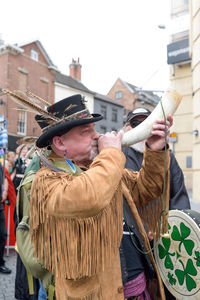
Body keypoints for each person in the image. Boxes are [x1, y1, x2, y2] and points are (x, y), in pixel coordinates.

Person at [27, 93, 172, 300]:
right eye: (86, 131)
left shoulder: (99, 169)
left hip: (134, 285)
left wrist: (155, 149)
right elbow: (88, 197)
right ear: (60, 143)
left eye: (95, 129)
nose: (96, 136)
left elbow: (147, 187)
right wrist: (111, 153)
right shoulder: (46, 181)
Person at [121, 107, 190, 300]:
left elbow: (179, 196)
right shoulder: (119, 156)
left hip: (165, 241)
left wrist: (170, 228)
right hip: (135, 244)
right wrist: (143, 229)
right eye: (136, 124)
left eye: (147, 123)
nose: (142, 128)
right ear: (128, 128)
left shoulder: (168, 156)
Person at [0, 163, 12, 274]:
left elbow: (4, 179)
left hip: (0, 205)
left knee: (3, 234)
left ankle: (0, 263)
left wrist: (4, 192)